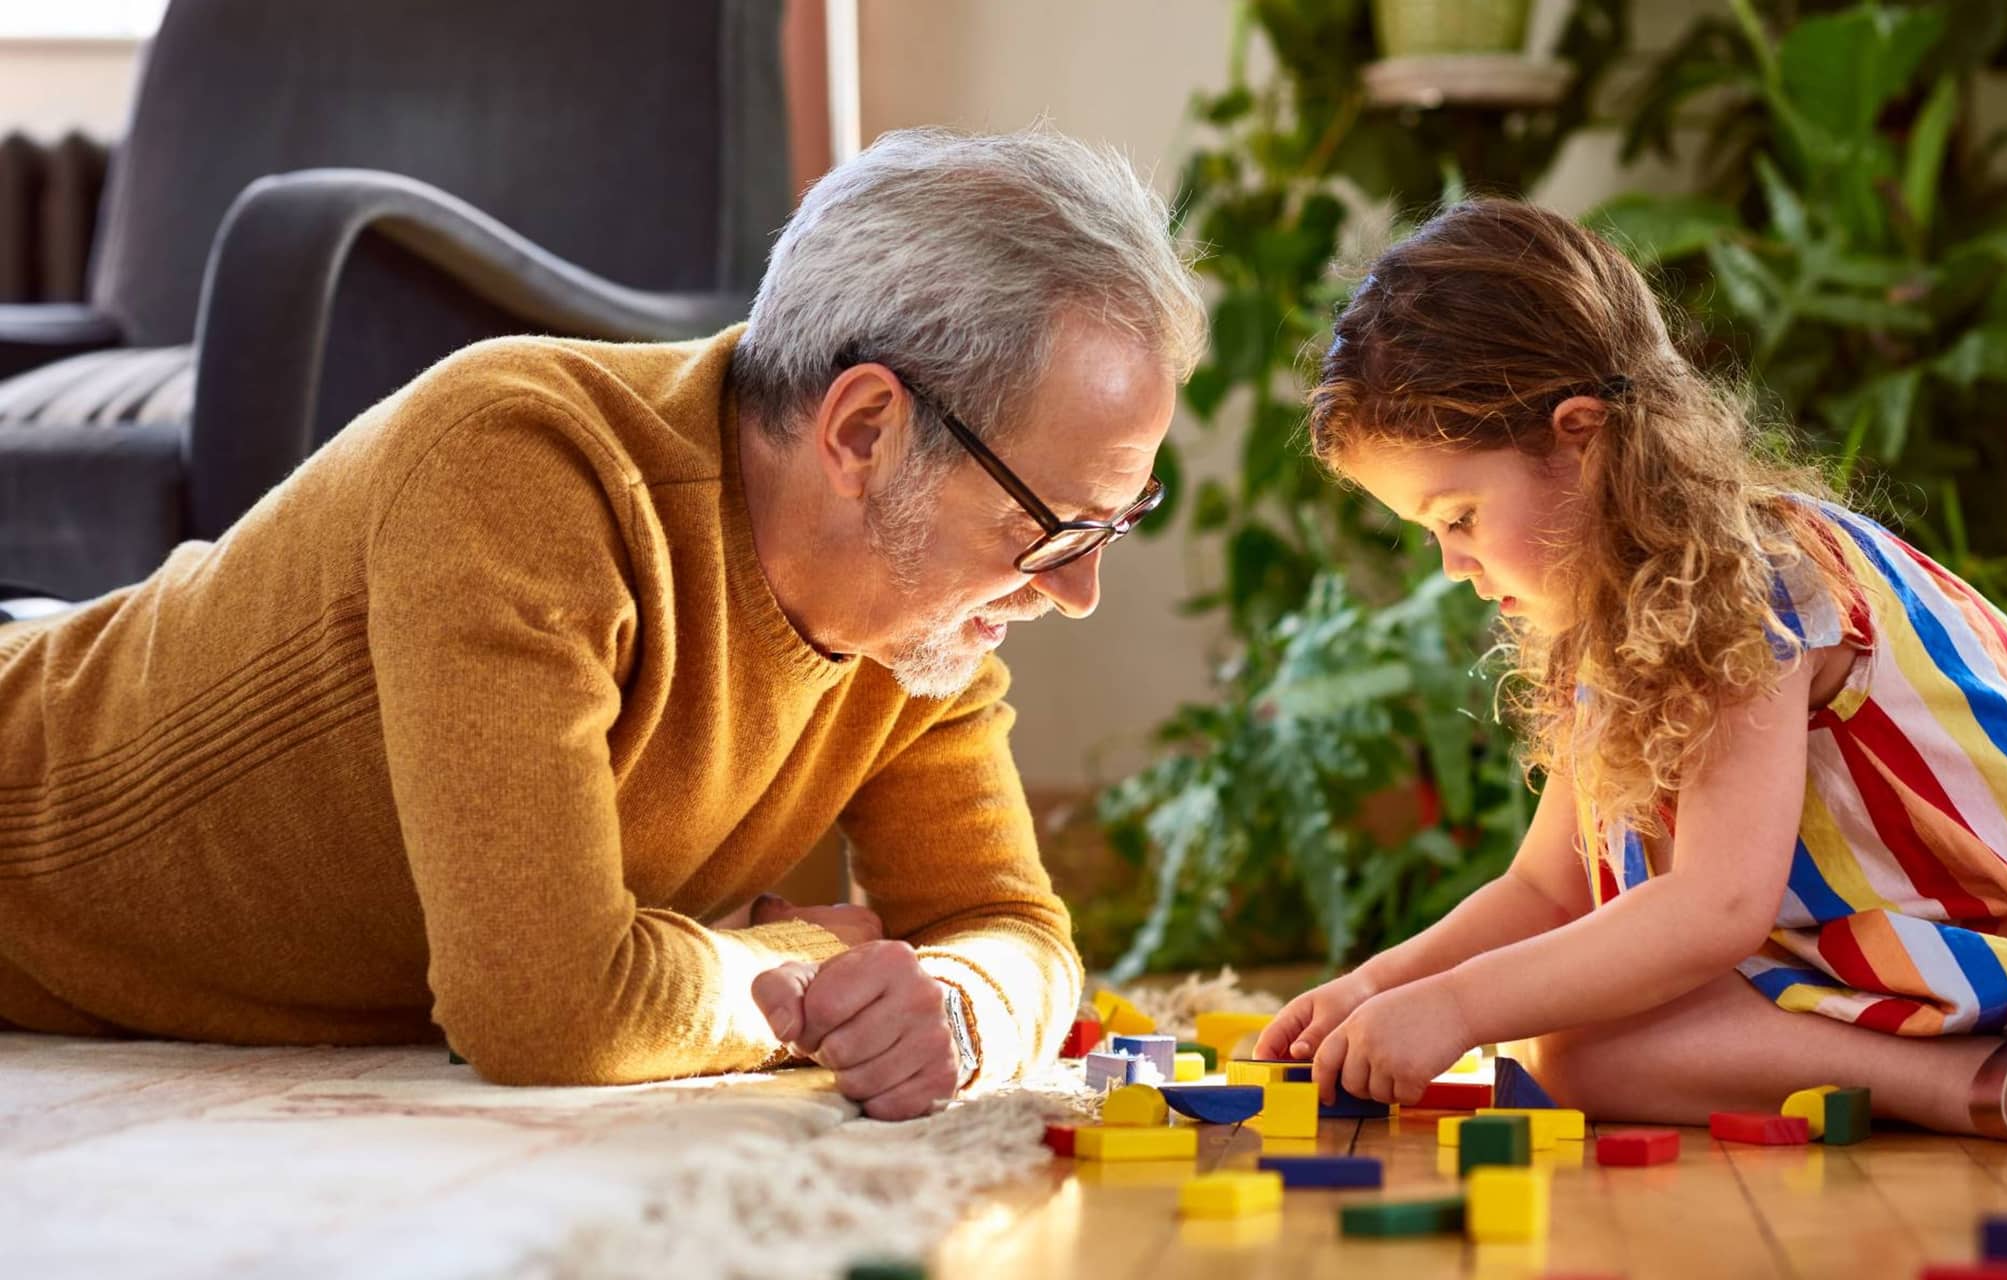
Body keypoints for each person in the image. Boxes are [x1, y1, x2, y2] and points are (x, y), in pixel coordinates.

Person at [0, 127, 1205, 1120]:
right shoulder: (523, 466)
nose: (1073, 588)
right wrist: (801, 963)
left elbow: (1010, 927)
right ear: (861, 431)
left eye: (1115, 522)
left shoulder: (919, 627)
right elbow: (546, 1007)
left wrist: (954, 1001)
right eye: (1053, 525)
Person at [1258, 198, 2007, 1143]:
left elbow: (1715, 907)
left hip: (1998, 934)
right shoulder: (1614, 614)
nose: (1453, 566)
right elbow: (1547, 891)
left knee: (1575, 1038)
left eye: (1459, 516)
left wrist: (1460, 1010)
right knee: (1579, 1053)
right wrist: (1380, 984)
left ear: (1580, 439)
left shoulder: (1752, 579)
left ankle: (1988, 1081)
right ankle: (1974, 1077)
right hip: (1878, 957)